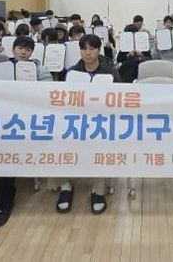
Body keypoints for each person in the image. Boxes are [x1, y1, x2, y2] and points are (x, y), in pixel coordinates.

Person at [55, 35, 121, 215]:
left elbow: (120, 97)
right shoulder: (73, 72)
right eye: (84, 49)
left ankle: (97, 191)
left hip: (102, 120)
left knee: (101, 144)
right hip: (76, 120)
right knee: (57, 140)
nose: (87, 53)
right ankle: (65, 186)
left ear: (99, 50)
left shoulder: (110, 72)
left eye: (92, 49)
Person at [0, 36, 52, 228]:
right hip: (5, 121)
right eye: (20, 48)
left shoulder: (40, 69)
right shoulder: (0, 68)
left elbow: (48, 92)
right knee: (3, 153)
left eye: (27, 49)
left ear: (32, 52)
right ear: (13, 49)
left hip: (32, 120)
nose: (23, 52)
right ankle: (2, 205)